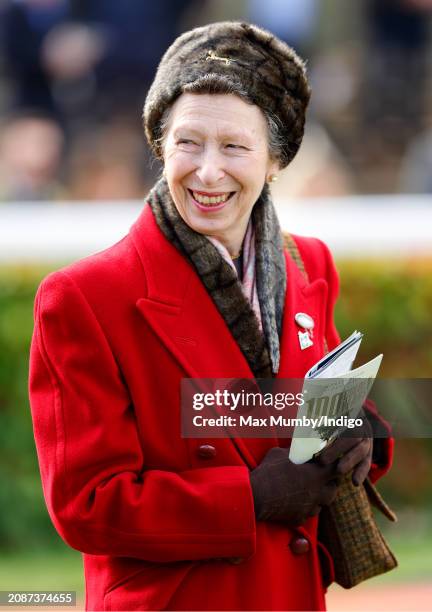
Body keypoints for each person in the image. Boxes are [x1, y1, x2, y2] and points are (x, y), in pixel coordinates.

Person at [29, 22, 393, 611]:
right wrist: (248, 497)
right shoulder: (83, 297)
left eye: (234, 147)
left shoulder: (309, 263)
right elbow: (86, 504)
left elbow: (299, 405)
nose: (206, 171)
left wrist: (361, 435)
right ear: (159, 145)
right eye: (187, 142)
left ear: (276, 160)